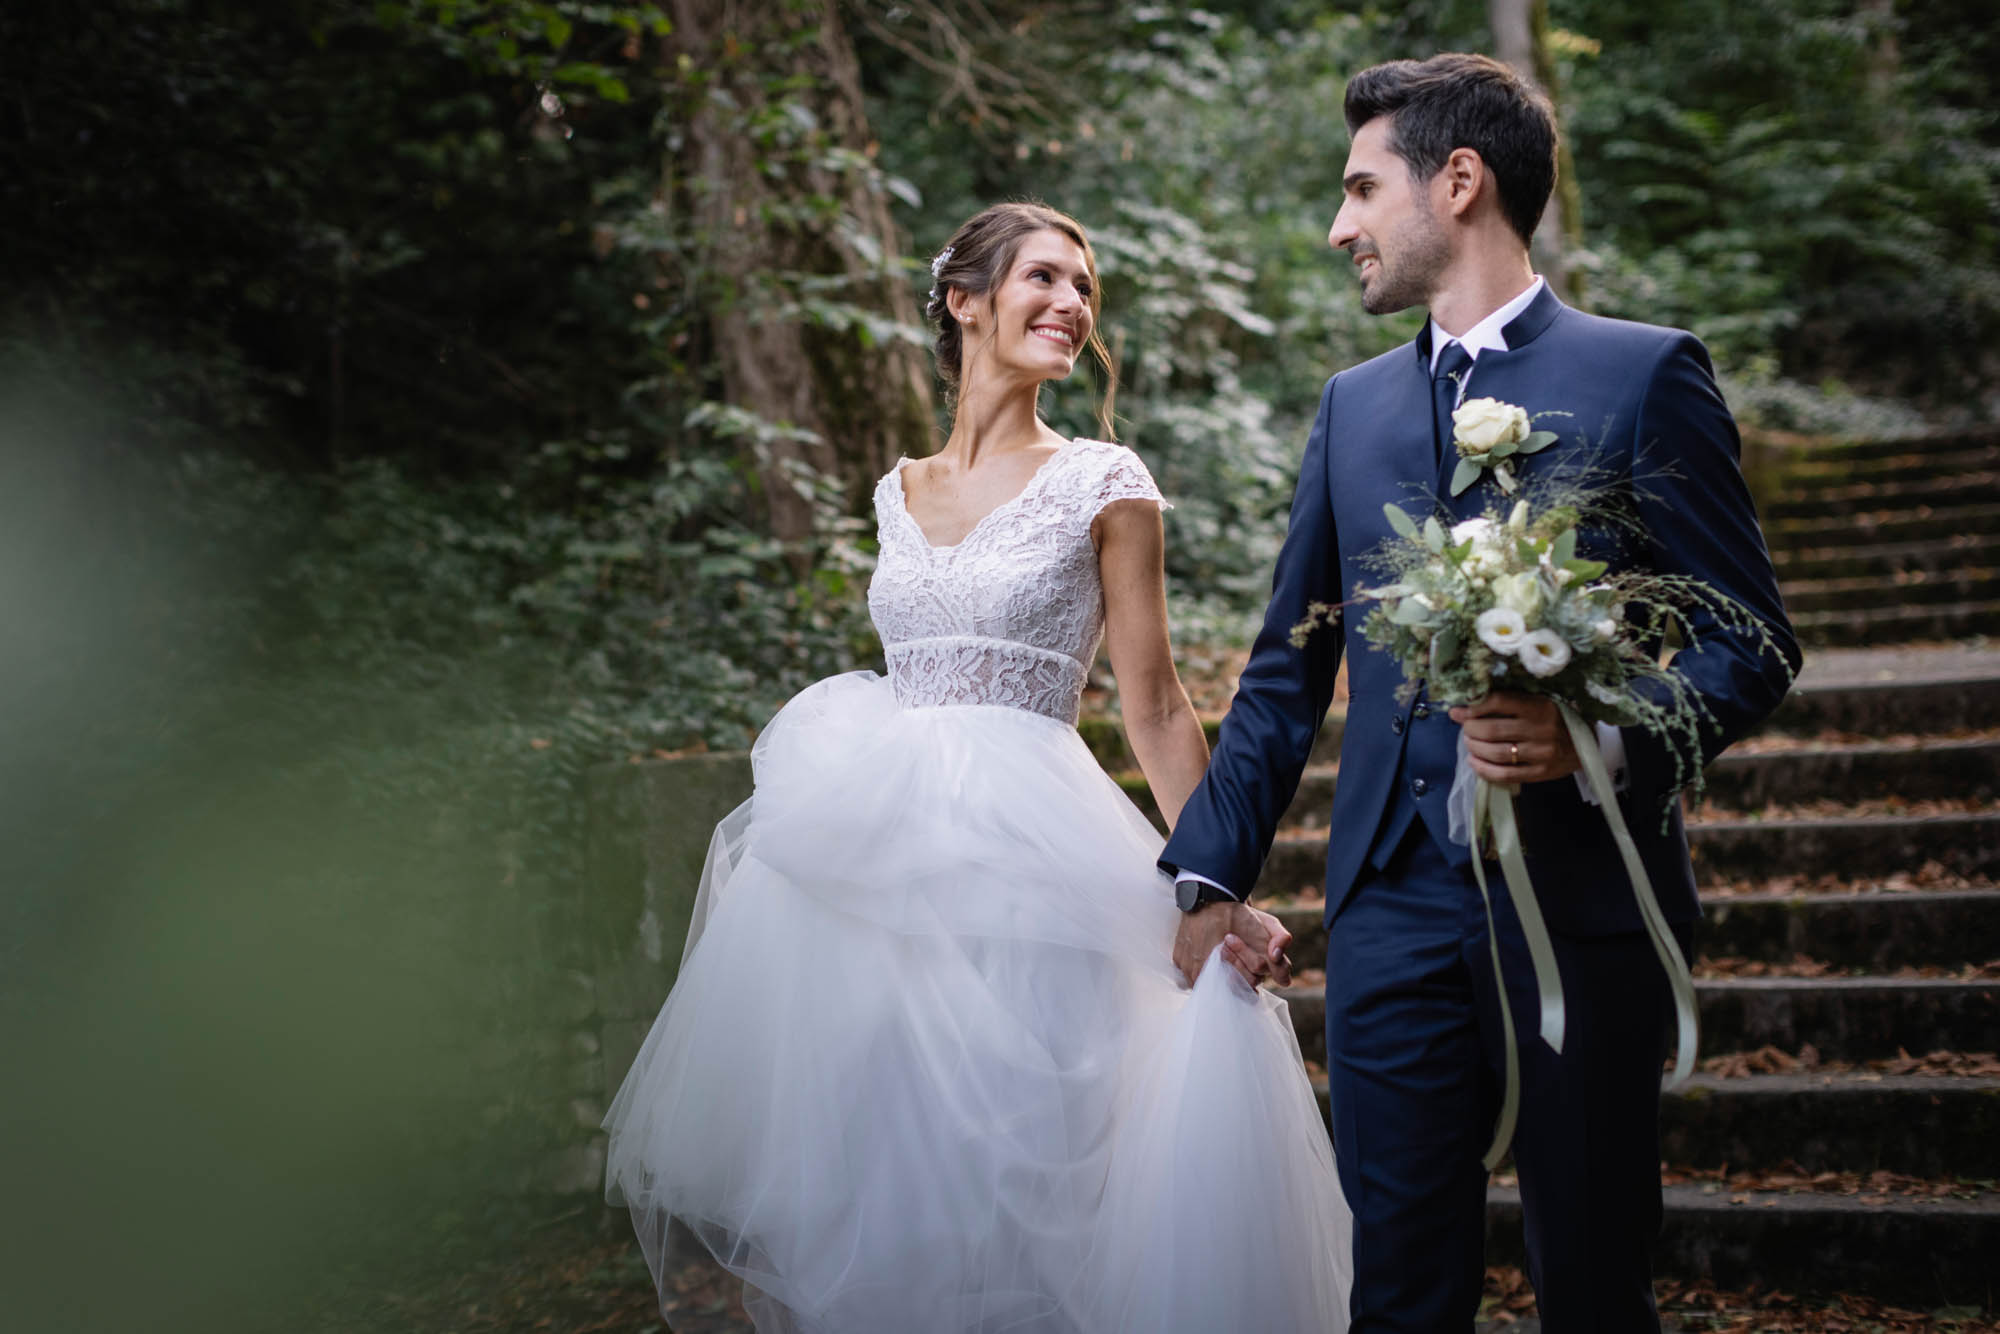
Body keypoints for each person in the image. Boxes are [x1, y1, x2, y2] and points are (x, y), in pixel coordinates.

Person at [602, 201, 1352, 1334]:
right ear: (964, 300)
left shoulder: (1106, 479)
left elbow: (1151, 701)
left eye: (1085, 287)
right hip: (872, 858)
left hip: (1030, 851)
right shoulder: (893, 489)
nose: (1071, 304)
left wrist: (1214, 880)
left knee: (1029, 1168)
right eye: (1043, 278)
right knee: (875, 1173)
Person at [1162, 54, 1801, 1334]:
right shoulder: (1349, 409)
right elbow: (1290, 663)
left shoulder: (1642, 374)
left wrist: (1601, 741)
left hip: (1582, 903)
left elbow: (1747, 639)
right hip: (1389, 904)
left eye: (1358, 188)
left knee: (1591, 1280)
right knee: (1393, 1283)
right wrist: (1205, 875)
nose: (1338, 224)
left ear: (1459, 182)